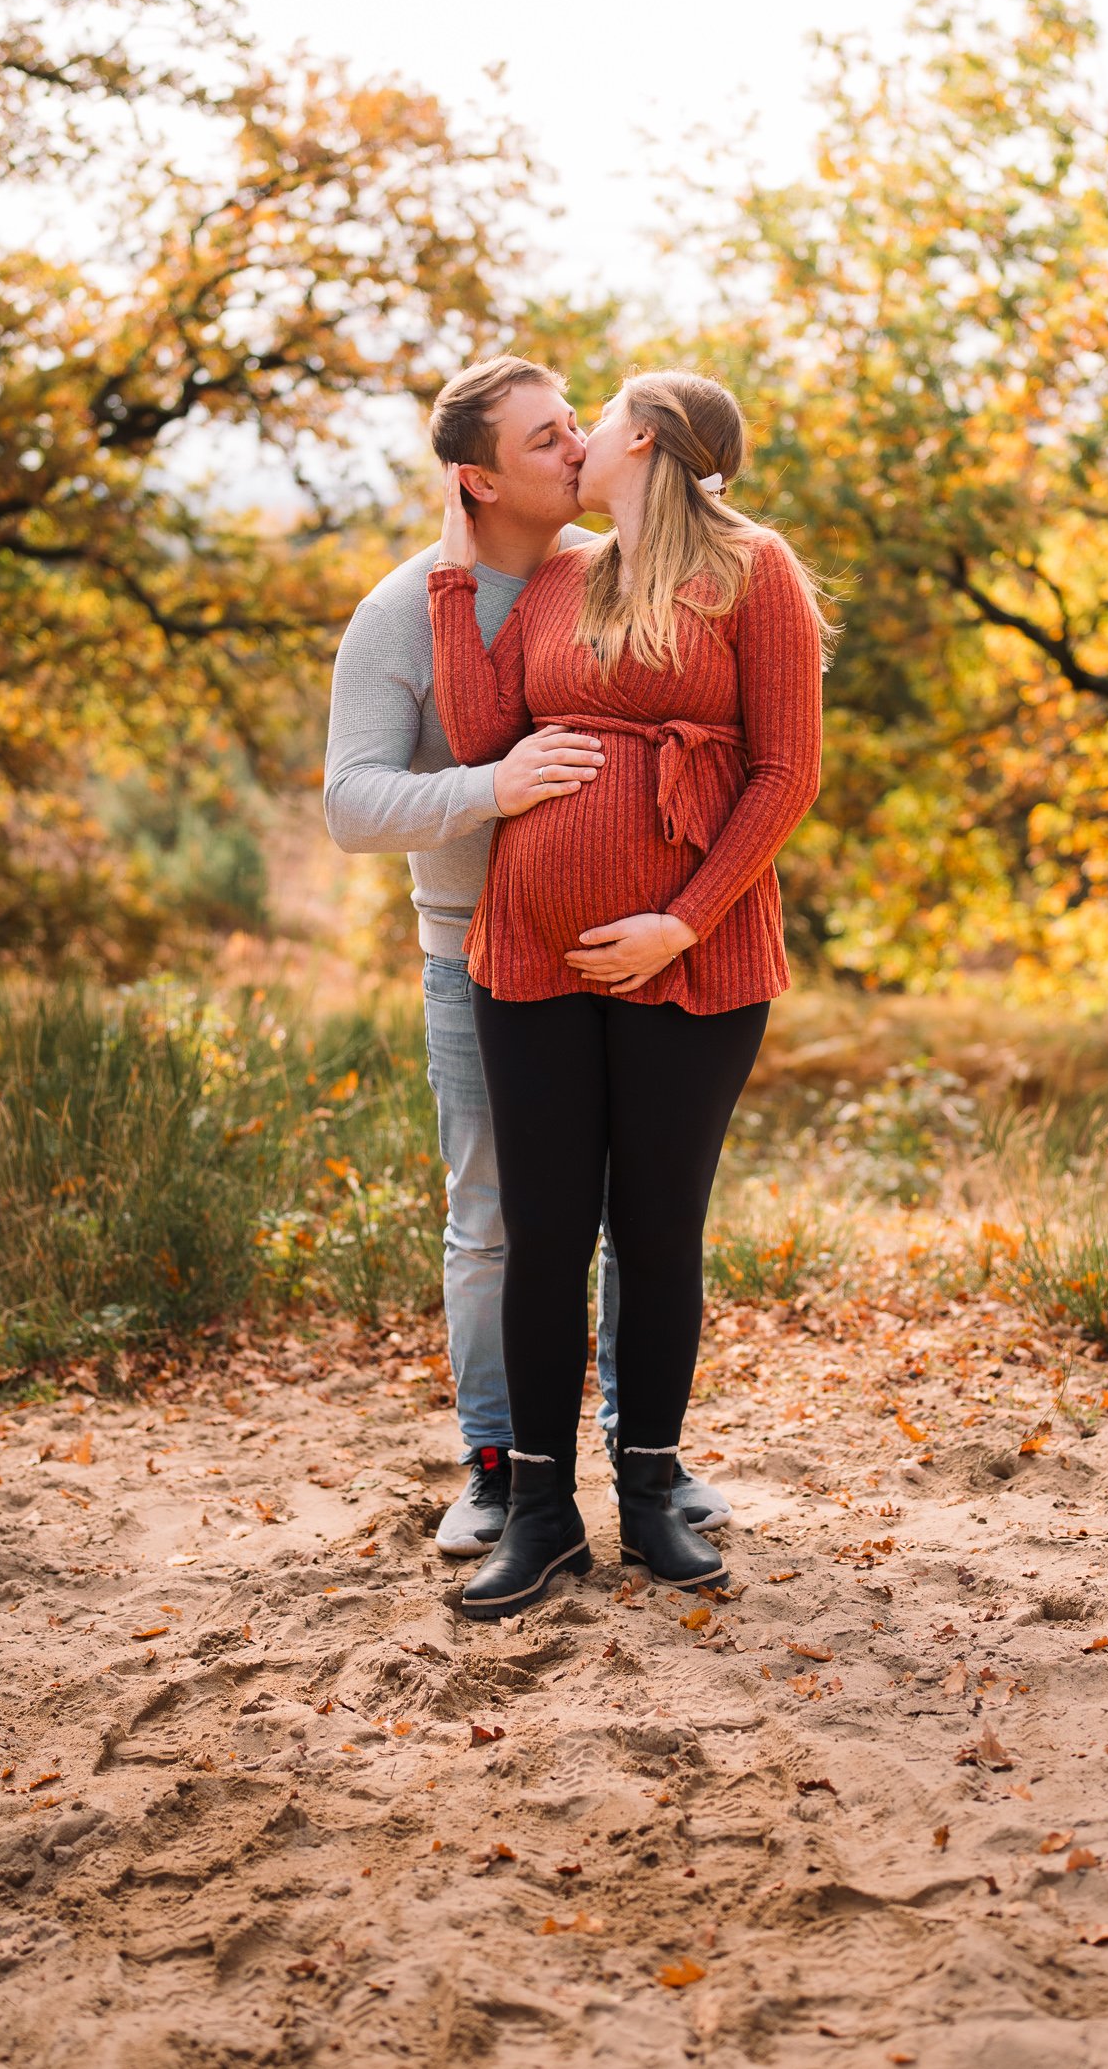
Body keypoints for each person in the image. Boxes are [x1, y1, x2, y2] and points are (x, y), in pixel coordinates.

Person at [429, 370, 830, 1619]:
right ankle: (541, 1513)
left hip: (693, 963)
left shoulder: (751, 570)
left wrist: (677, 919)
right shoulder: (560, 576)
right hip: (529, 958)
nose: (578, 439)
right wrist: (454, 565)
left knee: (655, 1230)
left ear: (641, 438)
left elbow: (785, 773)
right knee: (544, 1234)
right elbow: (482, 719)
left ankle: (648, 1491)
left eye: (592, 418)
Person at [322, 354, 734, 1555]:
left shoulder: (591, 579)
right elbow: (349, 804)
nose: (576, 450)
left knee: (629, 1216)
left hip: (613, 957)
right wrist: (491, 788)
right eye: (545, 439)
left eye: (574, 427)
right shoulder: (403, 608)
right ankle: (500, 1466)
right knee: (497, 1218)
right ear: (475, 479)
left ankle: (635, 1450)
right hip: (472, 956)